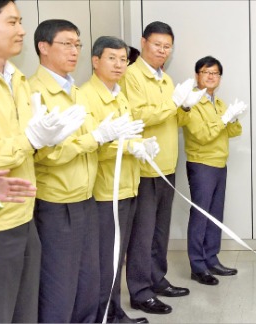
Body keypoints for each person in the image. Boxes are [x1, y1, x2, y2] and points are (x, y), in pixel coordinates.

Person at [29, 19, 143, 323]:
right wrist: (95, 138)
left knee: (89, 281)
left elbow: (91, 141)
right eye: (67, 44)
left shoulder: (75, 92)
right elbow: (45, 154)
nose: (74, 51)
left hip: (86, 196)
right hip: (57, 201)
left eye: (77, 44)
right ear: (43, 47)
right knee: (60, 286)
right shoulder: (34, 92)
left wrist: (111, 140)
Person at [0, 1, 82, 322]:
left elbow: (33, 149)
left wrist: (50, 139)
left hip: (24, 217)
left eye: (20, 21)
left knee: (25, 314)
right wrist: (30, 140)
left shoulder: (16, 78)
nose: (21, 30)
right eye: (12, 22)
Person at [120, 21, 202, 315]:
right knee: (142, 235)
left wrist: (185, 107)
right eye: (157, 45)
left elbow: (172, 120)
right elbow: (138, 115)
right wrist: (172, 105)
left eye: (167, 46)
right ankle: (140, 291)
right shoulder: (131, 75)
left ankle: (157, 278)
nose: (162, 51)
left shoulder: (165, 79)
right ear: (143, 43)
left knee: (159, 231)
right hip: (144, 166)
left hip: (167, 165)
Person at [80, 35, 154, 324]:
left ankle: (114, 311)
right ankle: (106, 315)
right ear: (95, 60)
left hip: (127, 185)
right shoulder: (87, 95)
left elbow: (128, 134)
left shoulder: (119, 94)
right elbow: (94, 143)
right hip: (105, 191)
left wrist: (141, 145)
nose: (119, 64)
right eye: (112, 58)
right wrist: (128, 147)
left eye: (123, 59)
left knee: (117, 256)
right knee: (105, 261)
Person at [183, 56, 246, 285]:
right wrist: (224, 120)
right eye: (206, 72)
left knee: (215, 215)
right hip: (201, 165)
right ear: (197, 75)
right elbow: (203, 135)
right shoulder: (191, 103)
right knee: (201, 216)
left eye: (215, 73)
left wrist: (233, 117)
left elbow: (233, 132)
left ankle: (212, 258)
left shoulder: (218, 103)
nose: (211, 76)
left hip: (220, 163)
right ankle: (197, 266)